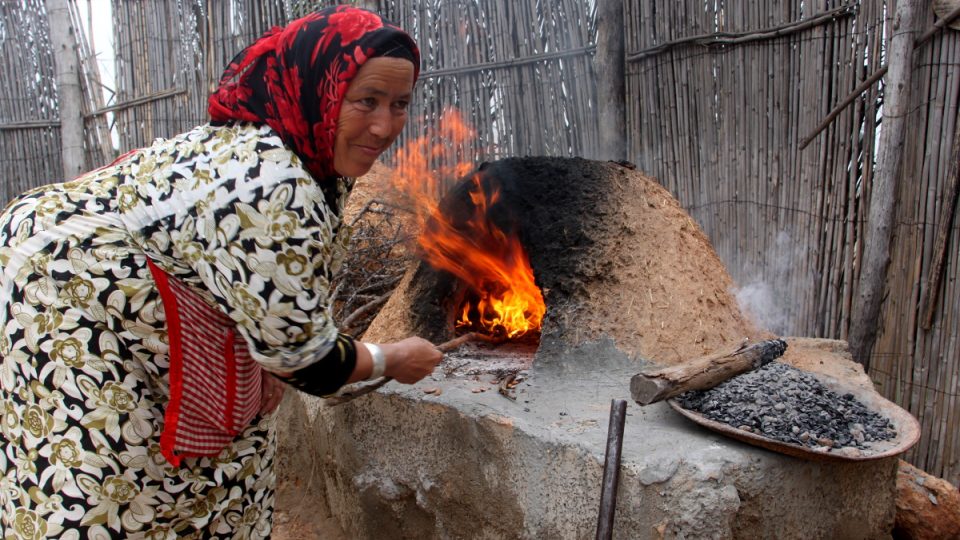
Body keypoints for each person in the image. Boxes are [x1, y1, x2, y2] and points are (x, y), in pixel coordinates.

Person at [0, 6, 442, 539]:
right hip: (61, 291)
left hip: (112, 276)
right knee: (112, 471)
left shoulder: (302, 149)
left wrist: (274, 354)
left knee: (225, 458)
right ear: (321, 90)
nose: (383, 125)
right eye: (366, 101)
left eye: (399, 105)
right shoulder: (273, 186)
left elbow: (264, 293)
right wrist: (392, 358)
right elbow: (307, 361)